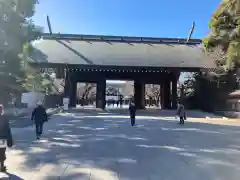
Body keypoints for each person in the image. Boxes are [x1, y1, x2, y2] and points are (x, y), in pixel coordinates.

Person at [0, 104, 13, 172]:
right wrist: (10, 139)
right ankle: (2, 166)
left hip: (2, 138)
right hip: (2, 139)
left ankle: (2, 166)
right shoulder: (5, 118)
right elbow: (8, 130)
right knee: (2, 152)